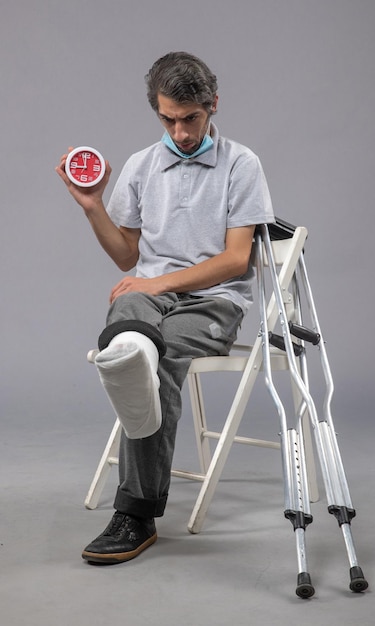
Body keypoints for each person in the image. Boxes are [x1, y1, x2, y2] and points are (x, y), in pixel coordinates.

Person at [56, 51, 274, 565]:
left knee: (155, 359)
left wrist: (156, 284)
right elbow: (128, 255)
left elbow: (235, 260)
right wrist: (93, 207)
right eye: (167, 119)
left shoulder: (241, 164)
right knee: (132, 335)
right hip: (151, 295)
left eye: (190, 118)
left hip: (212, 303)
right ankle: (130, 350)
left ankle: (135, 513)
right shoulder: (140, 164)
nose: (179, 131)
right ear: (157, 111)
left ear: (212, 104)